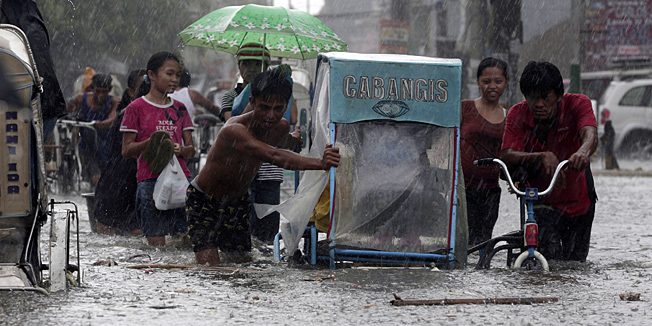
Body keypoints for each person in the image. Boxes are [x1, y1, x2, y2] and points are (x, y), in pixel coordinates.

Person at [187, 68, 340, 265]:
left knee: (241, 263)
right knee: (210, 267)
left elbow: (282, 144)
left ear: (286, 106)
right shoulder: (234, 131)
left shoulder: (281, 126)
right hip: (205, 200)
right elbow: (273, 154)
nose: (271, 115)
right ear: (252, 102)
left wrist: (293, 141)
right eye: (264, 107)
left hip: (237, 201)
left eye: (278, 108)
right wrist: (320, 163)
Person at [501, 61, 598, 262]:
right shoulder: (517, 114)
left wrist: (582, 151)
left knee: (575, 263)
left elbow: (590, 134)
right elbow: (508, 154)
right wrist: (541, 155)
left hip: (579, 200)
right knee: (547, 254)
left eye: (546, 97)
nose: (539, 104)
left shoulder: (578, 104)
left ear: (559, 96)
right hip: (540, 199)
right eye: (532, 97)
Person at [121, 52, 195, 247]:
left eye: (177, 75)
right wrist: (151, 143)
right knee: (156, 245)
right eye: (169, 73)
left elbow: (192, 150)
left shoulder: (180, 109)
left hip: (180, 180)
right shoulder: (135, 108)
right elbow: (126, 150)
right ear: (152, 75)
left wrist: (181, 149)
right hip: (149, 181)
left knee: (184, 241)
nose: (174, 79)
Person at [1, 0, 67, 140]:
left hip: (34, 105)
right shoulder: (27, 17)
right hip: (38, 104)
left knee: (22, 155)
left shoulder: (23, 19)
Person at [461, 57, 509, 246]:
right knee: (463, 241)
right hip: (462, 189)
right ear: (478, 82)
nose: (492, 86)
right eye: (486, 81)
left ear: (506, 83)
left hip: (491, 191)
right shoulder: (465, 108)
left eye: (498, 81)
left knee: (483, 243)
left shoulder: (509, 116)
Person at [93, 69, 146, 235]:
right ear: (130, 92)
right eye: (144, 88)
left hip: (138, 184)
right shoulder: (127, 115)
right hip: (118, 184)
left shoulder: (161, 113)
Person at [68, 73, 120, 187]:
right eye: (98, 91)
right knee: (96, 179)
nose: (101, 95)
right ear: (92, 89)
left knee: (110, 180)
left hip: (108, 147)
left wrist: (98, 124)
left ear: (110, 89)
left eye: (104, 91)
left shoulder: (114, 101)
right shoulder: (80, 99)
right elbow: (67, 108)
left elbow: (112, 119)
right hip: (89, 147)